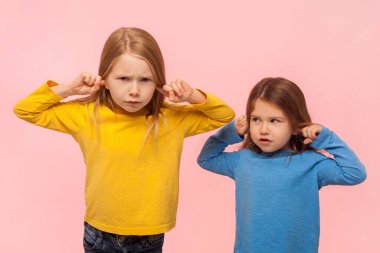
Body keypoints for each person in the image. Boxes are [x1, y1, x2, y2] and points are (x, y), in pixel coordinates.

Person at [14, 27, 235, 253]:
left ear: (158, 83)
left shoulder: (171, 118)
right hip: (99, 233)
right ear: (105, 80)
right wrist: (69, 89)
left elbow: (224, 115)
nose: (134, 90)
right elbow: (25, 110)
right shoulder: (87, 115)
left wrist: (192, 96)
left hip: (150, 235)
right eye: (123, 78)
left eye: (146, 80)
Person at [197, 77, 366, 253]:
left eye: (274, 121)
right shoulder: (243, 160)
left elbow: (355, 173)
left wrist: (326, 137)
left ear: (295, 126)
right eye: (256, 119)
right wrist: (232, 131)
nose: (263, 129)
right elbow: (206, 158)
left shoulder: (311, 164)